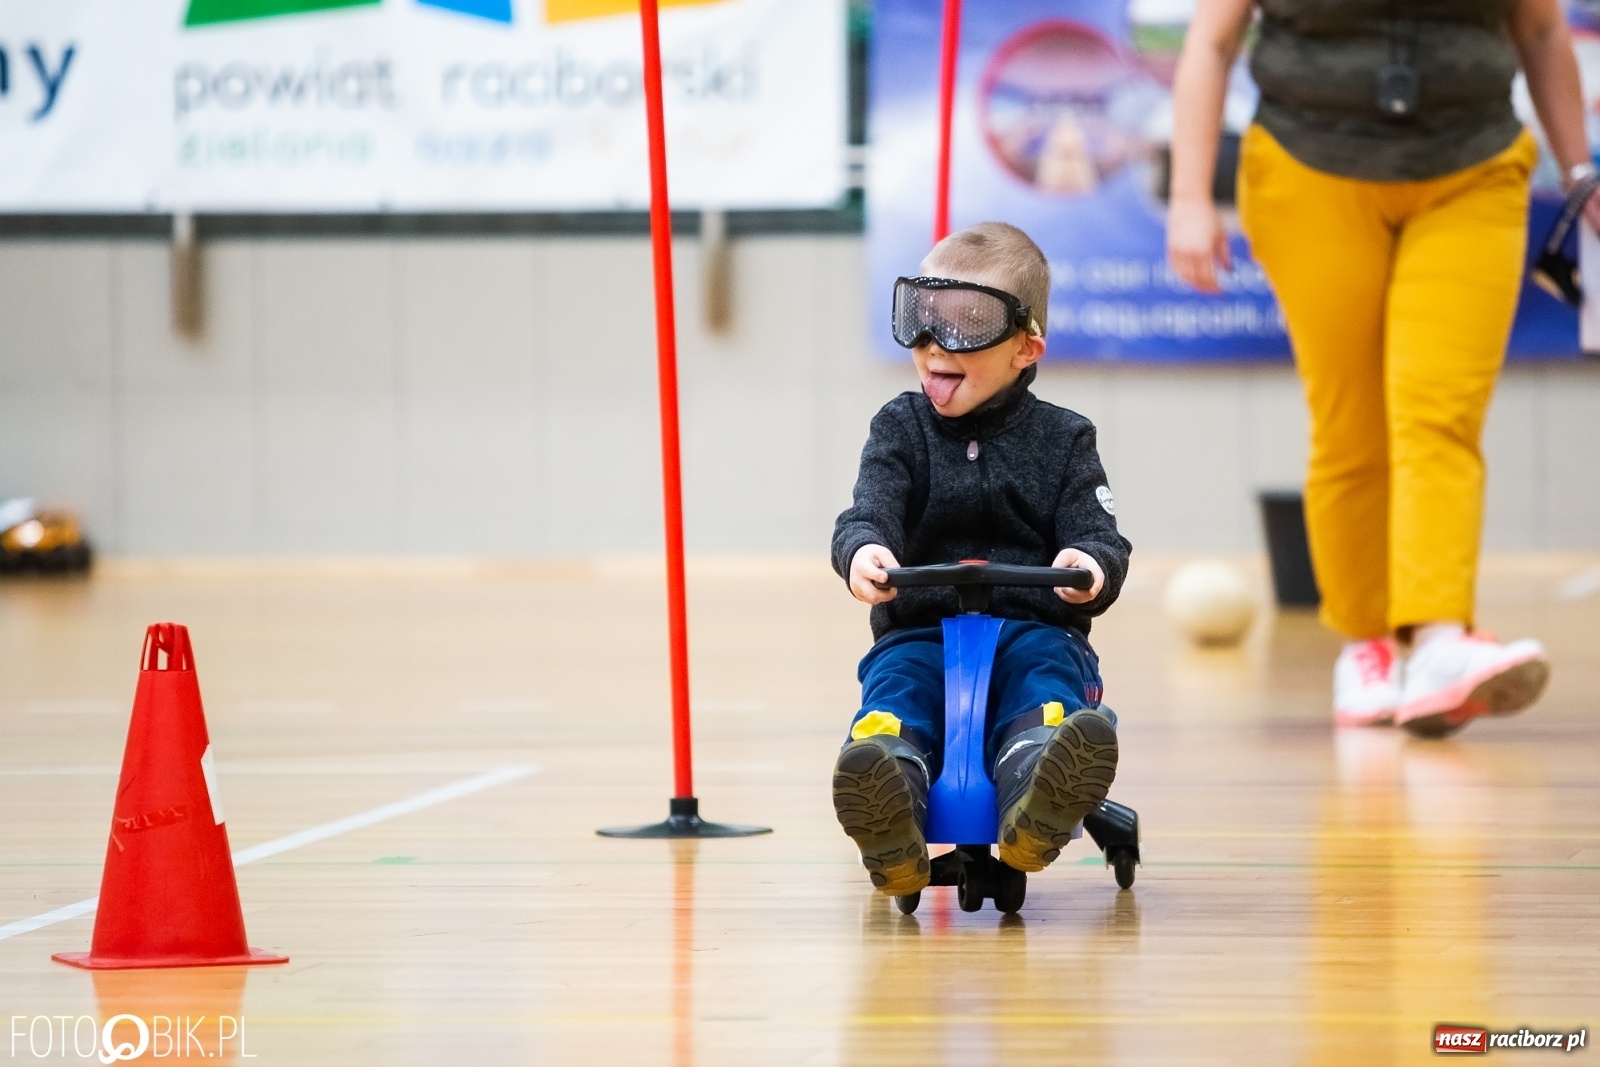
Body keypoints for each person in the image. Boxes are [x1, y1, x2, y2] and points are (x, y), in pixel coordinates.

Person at [1166, 0, 1592, 737]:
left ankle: (1437, 641)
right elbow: (1211, 40)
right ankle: (1367, 648)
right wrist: (1189, 198)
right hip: (1309, 168)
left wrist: (1582, 169)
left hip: (1474, 168)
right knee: (1352, 419)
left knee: (1440, 412)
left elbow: (1543, 28)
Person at [829, 222, 1132, 896]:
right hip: (919, 629)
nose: (936, 343)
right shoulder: (899, 428)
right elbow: (868, 509)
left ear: (1026, 347)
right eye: (923, 319)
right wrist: (865, 550)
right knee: (897, 692)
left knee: (1043, 683)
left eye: (969, 325)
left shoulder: (1064, 438)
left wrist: (1089, 564)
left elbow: (1101, 533)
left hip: (1036, 625)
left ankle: (1038, 786)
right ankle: (889, 799)